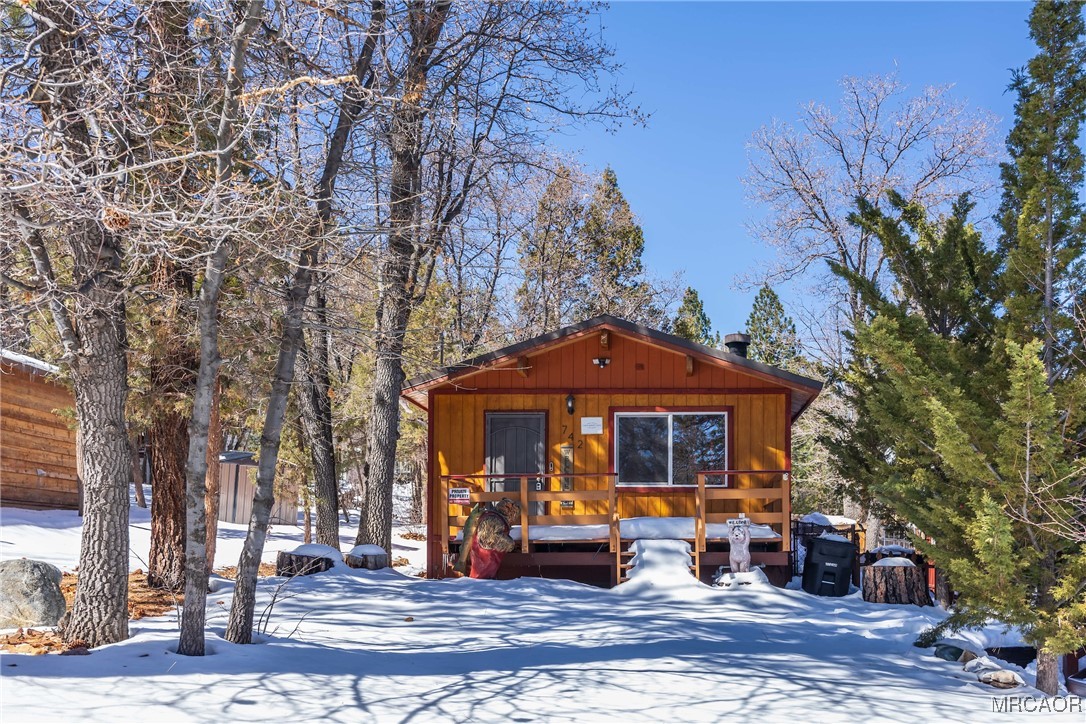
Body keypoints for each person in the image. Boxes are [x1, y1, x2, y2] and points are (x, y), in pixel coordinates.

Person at [464, 498, 520, 579]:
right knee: (481, 575)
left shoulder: (495, 518)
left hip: (487, 558)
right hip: (484, 558)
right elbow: (490, 538)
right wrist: (510, 544)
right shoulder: (493, 519)